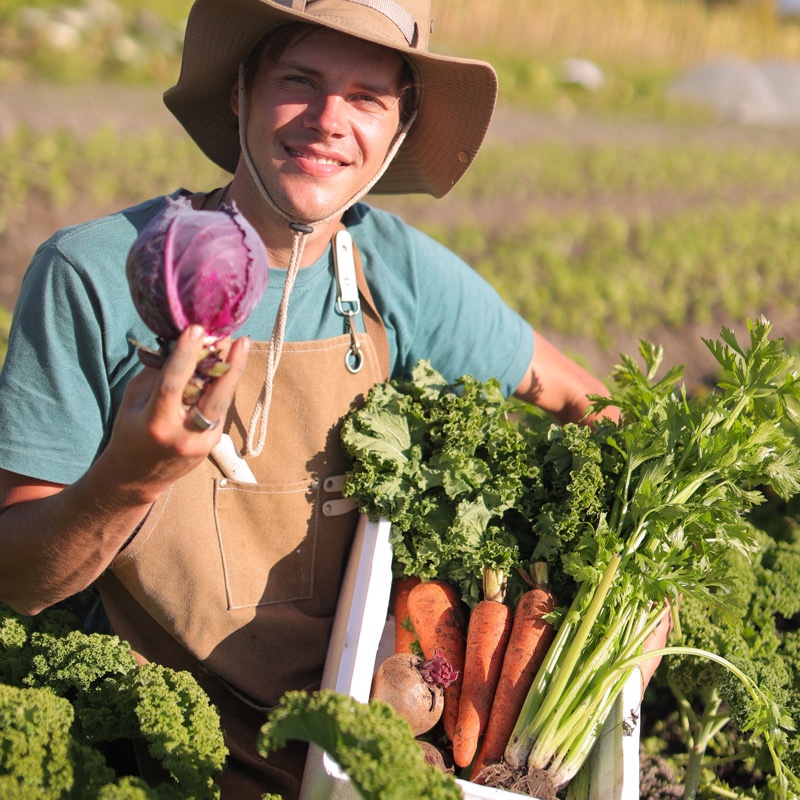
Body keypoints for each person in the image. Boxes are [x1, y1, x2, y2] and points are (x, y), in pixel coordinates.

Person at [0, 0, 649, 797]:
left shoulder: (397, 273)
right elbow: (19, 581)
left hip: (366, 739)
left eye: (368, 97)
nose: (330, 120)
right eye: (299, 81)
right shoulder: (97, 275)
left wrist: (637, 589)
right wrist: (127, 480)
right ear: (241, 91)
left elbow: (597, 408)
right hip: (152, 739)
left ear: (400, 130)